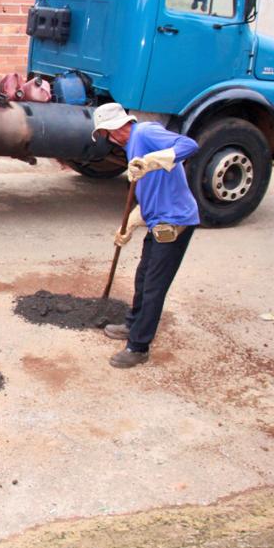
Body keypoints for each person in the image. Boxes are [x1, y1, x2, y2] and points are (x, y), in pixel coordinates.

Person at [91, 103, 200, 369]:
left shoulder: (145, 132)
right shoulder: (132, 147)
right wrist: (130, 224)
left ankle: (138, 347)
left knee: (154, 286)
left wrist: (153, 161)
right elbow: (151, 193)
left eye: (107, 133)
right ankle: (133, 324)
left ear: (119, 125)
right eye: (105, 135)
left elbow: (189, 145)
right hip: (157, 221)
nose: (110, 139)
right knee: (143, 277)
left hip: (175, 222)